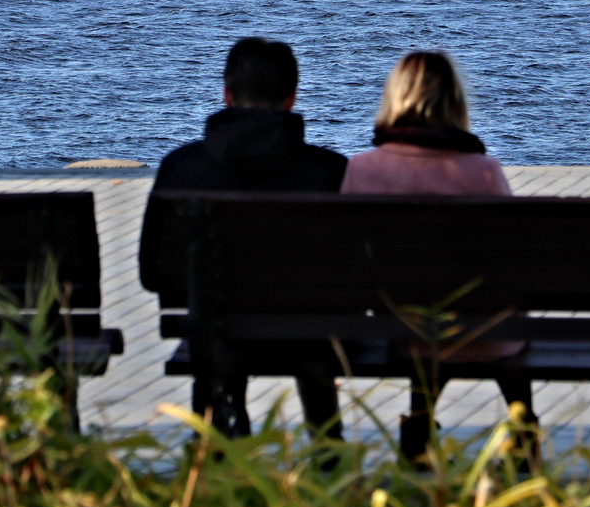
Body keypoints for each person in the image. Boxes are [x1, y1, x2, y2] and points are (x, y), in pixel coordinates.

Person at [138, 37, 347, 439]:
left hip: (214, 329)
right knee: (311, 332)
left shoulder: (182, 169)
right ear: (291, 98)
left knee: (214, 323)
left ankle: (217, 443)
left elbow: (154, 273)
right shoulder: (331, 172)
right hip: (310, 334)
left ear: (227, 95)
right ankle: (327, 450)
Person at [341, 50, 535, 461]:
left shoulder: (363, 170)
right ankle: (524, 425)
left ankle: (420, 422)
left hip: (404, 334)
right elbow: (512, 260)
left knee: (421, 314)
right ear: (455, 102)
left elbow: (350, 263)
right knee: (490, 311)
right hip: (488, 338)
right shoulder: (483, 171)